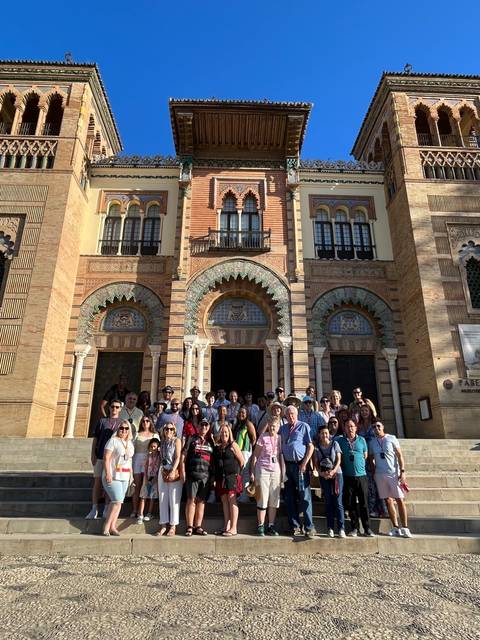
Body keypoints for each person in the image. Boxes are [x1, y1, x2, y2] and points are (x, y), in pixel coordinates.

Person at [369, 421, 412, 537]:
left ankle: (405, 527)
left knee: (399, 499)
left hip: (393, 473)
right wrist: (374, 472)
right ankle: (395, 527)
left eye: (378, 426)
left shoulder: (391, 438)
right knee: (388, 500)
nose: (376, 428)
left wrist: (402, 471)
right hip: (380, 474)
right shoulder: (372, 442)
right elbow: (371, 458)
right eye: (374, 427)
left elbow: (399, 455)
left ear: (383, 427)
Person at [279, 405, 315, 538]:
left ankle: (309, 527)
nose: (290, 416)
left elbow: (310, 446)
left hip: (300, 466)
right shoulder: (282, 428)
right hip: (287, 466)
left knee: (304, 496)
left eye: (293, 414)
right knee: (289, 497)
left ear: (297, 414)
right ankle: (295, 526)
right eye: (288, 414)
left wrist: (305, 463)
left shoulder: (304, 426)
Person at [86, 400, 124, 519]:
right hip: (100, 456)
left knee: (109, 482)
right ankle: (94, 508)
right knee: (97, 482)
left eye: (117, 407)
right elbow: (95, 439)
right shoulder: (102, 421)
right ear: (109, 408)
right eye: (112, 406)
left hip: (113, 460)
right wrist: (93, 454)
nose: (114, 409)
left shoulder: (122, 423)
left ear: (120, 409)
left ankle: (106, 508)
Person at [337, 419, 374, 537]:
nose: (350, 428)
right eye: (347, 426)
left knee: (364, 503)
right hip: (348, 476)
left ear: (356, 427)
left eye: (352, 426)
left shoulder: (362, 440)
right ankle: (355, 528)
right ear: (345, 429)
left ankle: (367, 528)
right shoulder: (341, 441)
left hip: (361, 476)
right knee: (351, 503)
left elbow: (365, 455)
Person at [249, 417, 285, 536]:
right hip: (263, 469)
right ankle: (261, 525)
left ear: (278, 427)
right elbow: (255, 456)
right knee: (262, 497)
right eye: (271, 425)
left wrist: (282, 474)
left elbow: (280, 456)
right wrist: (252, 472)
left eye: (275, 426)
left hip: (275, 470)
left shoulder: (279, 438)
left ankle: (271, 525)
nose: (272, 428)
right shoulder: (263, 437)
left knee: (274, 499)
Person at [101, 420, 134, 536]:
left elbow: (129, 460)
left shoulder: (130, 443)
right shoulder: (113, 441)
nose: (124, 430)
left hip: (125, 476)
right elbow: (106, 458)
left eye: (126, 428)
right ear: (117, 429)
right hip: (113, 475)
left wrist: (131, 475)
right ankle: (106, 526)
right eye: (121, 428)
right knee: (116, 501)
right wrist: (108, 473)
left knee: (118, 502)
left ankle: (113, 526)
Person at [182, 418, 214, 536]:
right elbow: (184, 455)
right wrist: (183, 472)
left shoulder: (211, 441)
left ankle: (198, 526)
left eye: (206, 425)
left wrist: (213, 477)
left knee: (201, 501)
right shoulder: (192, 438)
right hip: (192, 474)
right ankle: (189, 526)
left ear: (209, 427)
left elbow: (213, 461)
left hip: (205, 476)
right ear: (198, 426)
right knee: (191, 500)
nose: (204, 427)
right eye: (202, 425)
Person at [314, 425, 345, 538]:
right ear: (319, 435)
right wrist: (320, 473)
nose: (324, 435)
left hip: (337, 474)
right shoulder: (317, 447)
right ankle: (330, 528)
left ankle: (341, 528)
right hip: (324, 475)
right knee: (328, 501)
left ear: (329, 434)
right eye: (322, 433)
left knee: (338, 501)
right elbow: (316, 462)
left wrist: (333, 471)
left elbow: (338, 459)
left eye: (326, 433)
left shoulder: (335, 444)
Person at [213, 424, 244, 536]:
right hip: (221, 477)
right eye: (222, 432)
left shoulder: (233, 445)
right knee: (224, 502)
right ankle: (226, 525)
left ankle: (233, 527)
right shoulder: (219, 447)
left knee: (232, 500)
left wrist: (236, 475)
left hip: (232, 477)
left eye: (226, 432)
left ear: (229, 433)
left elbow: (242, 461)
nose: (224, 434)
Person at [156, 421, 182, 536]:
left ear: (174, 430)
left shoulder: (177, 441)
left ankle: (173, 526)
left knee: (173, 498)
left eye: (171, 429)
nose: (169, 431)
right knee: (162, 498)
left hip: (173, 470)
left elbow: (178, 457)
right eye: (167, 429)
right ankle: (163, 525)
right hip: (163, 470)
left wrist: (172, 471)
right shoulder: (162, 442)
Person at [132, 416, 159, 521]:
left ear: (151, 422)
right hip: (137, 460)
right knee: (137, 486)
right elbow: (131, 448)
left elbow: (158, 448)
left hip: (150, 461)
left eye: (147, 421)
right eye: (143, 421)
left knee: (147, 485)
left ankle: (147, 512)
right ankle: (135, 510)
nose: (145, 422)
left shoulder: (155, 435)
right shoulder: (136, 434)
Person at [232, 406, 257, 501]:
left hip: (246, 451)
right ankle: (240, 494)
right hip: (237, 451)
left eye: (243, 413)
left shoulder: (248, 424)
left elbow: (254, 438)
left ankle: (245, 496)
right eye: (240, 412)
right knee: (239, 473)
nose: (241, 414)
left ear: (247, 414)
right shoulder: (237, 425)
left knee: (245, 473)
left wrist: (249, 449)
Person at [137, 438, 160, 524]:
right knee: (143, 496)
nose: (153, 448)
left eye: (155, 447)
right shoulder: (148, 456)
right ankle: (140, 514)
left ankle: (149, 513)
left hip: (155, 479)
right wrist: (146, 478)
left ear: (158, 447)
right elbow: (145, 467)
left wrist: (156, 478)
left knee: (152, 497)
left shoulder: (160, 457)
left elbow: (159, 469)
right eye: (151, 446)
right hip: (147, 478)